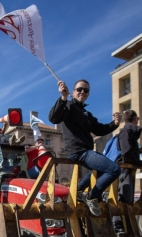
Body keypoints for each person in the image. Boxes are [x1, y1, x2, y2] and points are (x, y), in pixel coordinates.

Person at [49, 79, 121, 216]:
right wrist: (63, 97)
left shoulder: (86, 114)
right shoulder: (68, 106)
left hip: (86, 151)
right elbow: (53, 118)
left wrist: (115, 123)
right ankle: (92, 196)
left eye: (86, 90)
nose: (83, 92)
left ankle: (78, 190)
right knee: (114, 169)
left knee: (103, 168)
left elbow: (100, 129)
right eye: (79, 89)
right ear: (74, 91)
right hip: (78, 151)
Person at [117, 110, 142, 204]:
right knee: (125, 200)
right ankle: (120, 219)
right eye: (137, 118)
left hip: (127, 169)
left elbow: (127, 150)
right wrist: (141, 163)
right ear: (135, 119)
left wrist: (138, 151)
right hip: (125, 170)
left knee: (127, 200)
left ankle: (122, 218)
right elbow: (126, 152)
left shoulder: (128, 132)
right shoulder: (126, 132)